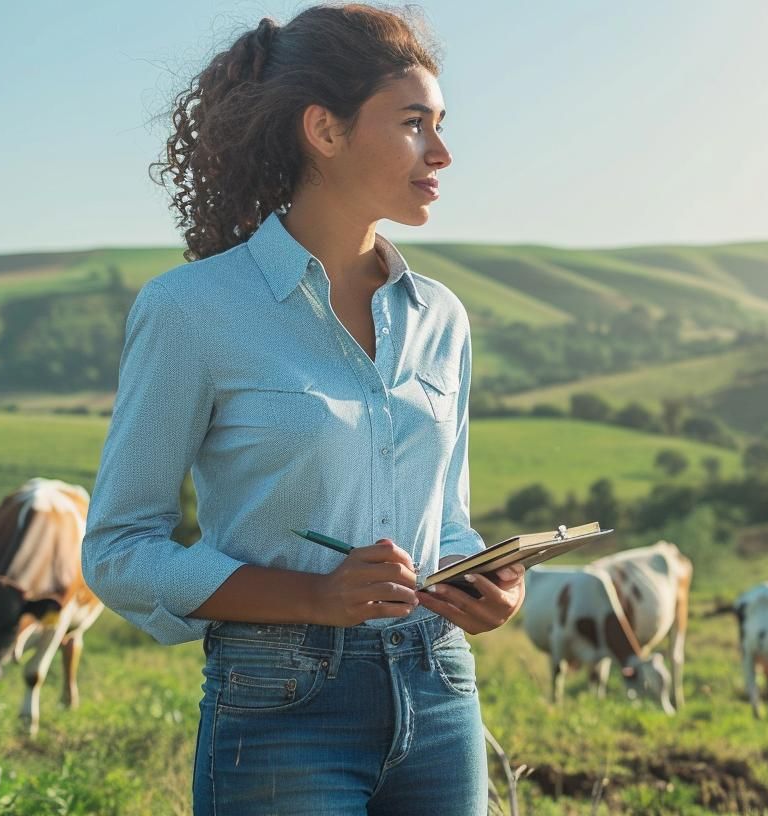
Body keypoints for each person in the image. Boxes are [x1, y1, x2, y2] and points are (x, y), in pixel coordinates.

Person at [81, 5, 521, 813]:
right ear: (325, 128)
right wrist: (314, 599)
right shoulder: (192, 311)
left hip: (441, 689)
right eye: (415, 122)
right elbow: (118, 550)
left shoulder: (441, 318)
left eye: (442, 123)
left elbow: (445, 519)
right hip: (281, 700)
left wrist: (483, 579)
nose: (444, 152)